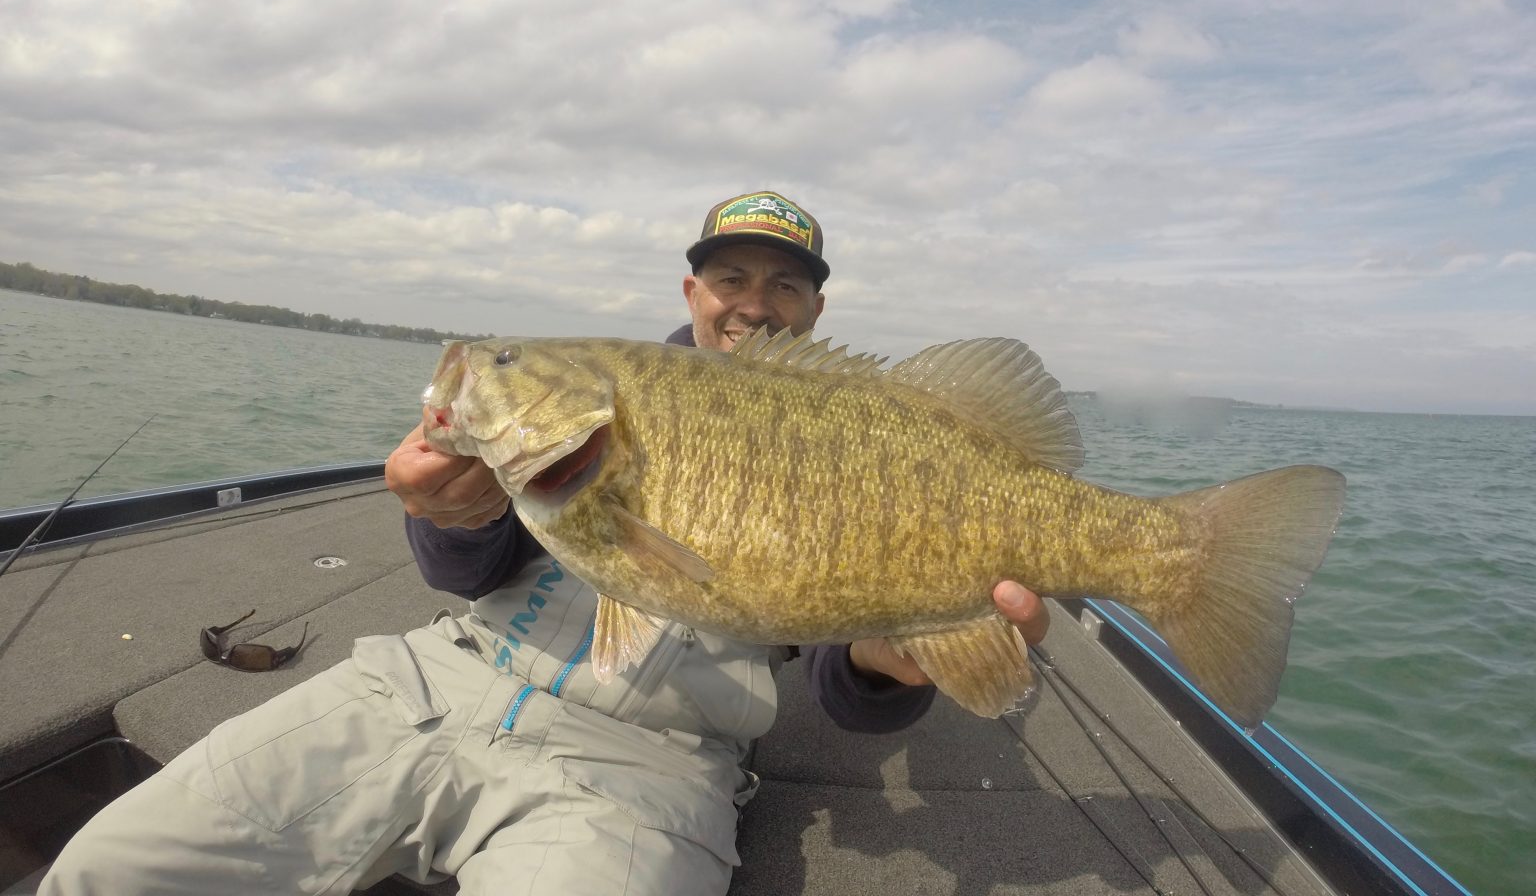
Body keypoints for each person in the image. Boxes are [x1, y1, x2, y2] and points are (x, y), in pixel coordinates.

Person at [43, 190, 1048, 896]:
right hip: (434, 683)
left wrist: (890, 663)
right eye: (731, 276)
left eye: (784, 288)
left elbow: (842, 683)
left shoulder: (854, 430)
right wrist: (451, 511)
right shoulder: (605, 403)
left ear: (815, 309)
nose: (753, 302)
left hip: (646, 768)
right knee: (107, 868)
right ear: (692, 292)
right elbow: (464, 570)